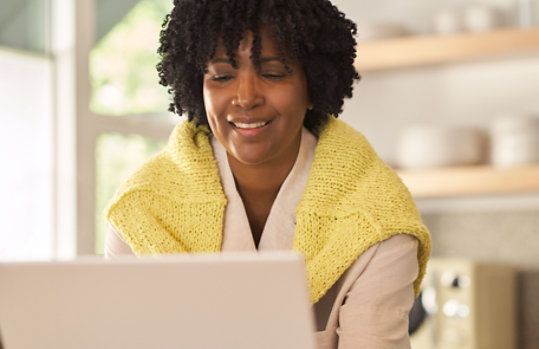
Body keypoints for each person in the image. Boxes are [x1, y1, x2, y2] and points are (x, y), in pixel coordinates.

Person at [105, 0, 431, 348]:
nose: (245, 97)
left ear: (313, 85)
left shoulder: (379, 220)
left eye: (274, 73)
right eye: (222, 76)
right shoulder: (140, 213)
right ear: (197, 87)